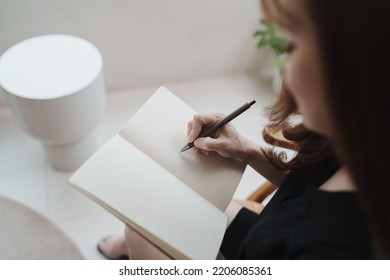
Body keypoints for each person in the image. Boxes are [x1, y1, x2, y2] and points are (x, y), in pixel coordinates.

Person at [98, 0, 390, 259]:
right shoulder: (360, 144)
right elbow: (305, 189)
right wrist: (244, 150)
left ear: (352, 64)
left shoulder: (330, 251)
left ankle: (133, 246)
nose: (283, 61)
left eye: (291, 44)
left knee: (138, 226)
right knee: (176, 207)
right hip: (265, 240)